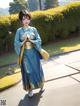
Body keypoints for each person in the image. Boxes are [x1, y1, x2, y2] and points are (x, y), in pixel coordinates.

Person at [14, 10, 45, 97]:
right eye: (23, 19)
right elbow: (16, 43)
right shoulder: (19, 31)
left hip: (34, 53)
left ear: (30, 19)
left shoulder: (33, 29)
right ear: (21, 20)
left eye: (27, 18)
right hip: (25, 55)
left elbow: (39, 40)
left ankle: (41, 85)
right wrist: (23, 41)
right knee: (28, 72)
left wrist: (31, 40)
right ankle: (30, 89)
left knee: (37, 69)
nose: (26, 21)